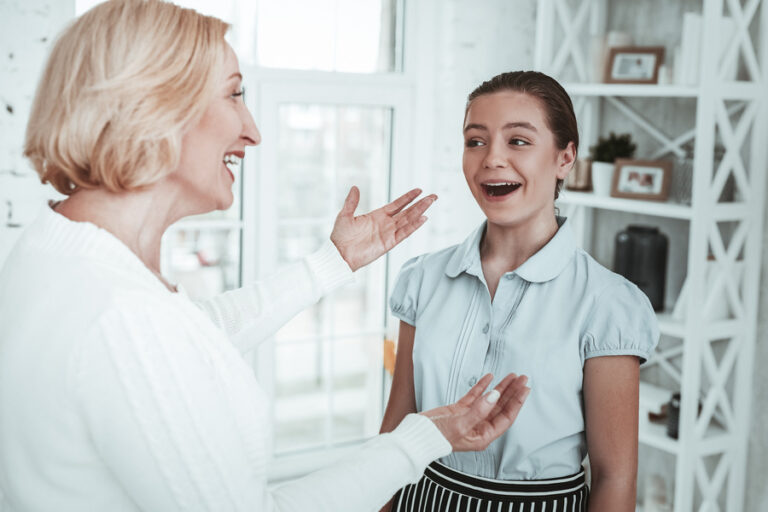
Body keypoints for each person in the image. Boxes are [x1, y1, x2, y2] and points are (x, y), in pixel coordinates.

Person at [0, 2, 532, 511]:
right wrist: (425, 436)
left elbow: (192, 335)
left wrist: (333, 262)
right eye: (234, 94)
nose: (252, 131)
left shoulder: (59, 252)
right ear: (155, 107)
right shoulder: (122, 315)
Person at [380, 71, 660, 511]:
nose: (492, 158)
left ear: (565, 158)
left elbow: (615, 476)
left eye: (518, 141)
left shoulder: (607, 304)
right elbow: (395, 438)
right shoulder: (423, 279)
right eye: (475, 141)